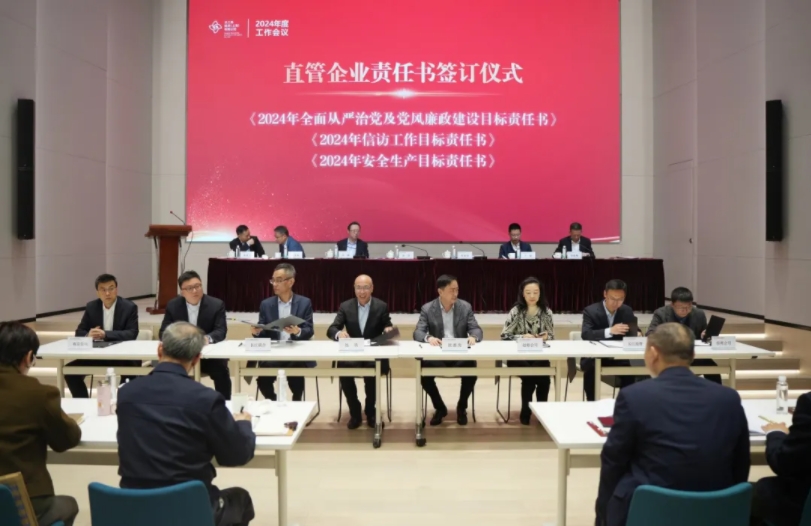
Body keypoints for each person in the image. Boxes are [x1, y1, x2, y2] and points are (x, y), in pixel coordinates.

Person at [596, 323, 750, 526]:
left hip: (650, 510)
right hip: (715, 510)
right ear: (693, 355)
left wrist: (603, 515)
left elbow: (614, 461)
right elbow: (741, 462)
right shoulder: (728, 398)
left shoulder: (634, 396)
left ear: (653, 354)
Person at [117, 322, 255, 526]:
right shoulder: (205, 399)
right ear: (197, 358)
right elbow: (236, 455)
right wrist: (243, 425)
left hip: (134, 507)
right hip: (188, 509)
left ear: (159, 350)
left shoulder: (126, 393)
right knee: (240, 498)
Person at [0, 321, 81, 526]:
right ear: (28, 357)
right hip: (25, 500)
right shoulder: (37, 393)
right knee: (69, 505)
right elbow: (66, 440)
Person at [413, 275, 483, 426]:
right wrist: (428, 338)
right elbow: (418, 332)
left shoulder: (465, 307)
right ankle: (440, 408)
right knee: (424, 374)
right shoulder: (427, 308)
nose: (455, 294)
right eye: (452, 290)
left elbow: (476, 328)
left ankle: (461, 407)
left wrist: (473, 336)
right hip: (438, 355)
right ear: (440, 291)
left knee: (471, 369)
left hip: (459, 354)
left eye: (457, 290)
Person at [327, 275, 394, 429]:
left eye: (365, 288)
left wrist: (388, 330)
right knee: (344, 371)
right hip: (352, 353)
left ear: (372, 288)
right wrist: (339, 334)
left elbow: (388, 326)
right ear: (354, 288)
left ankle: (370, 411)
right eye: (358, 288)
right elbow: (332, 328)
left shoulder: (381, 306)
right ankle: (355, 412)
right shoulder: (346, 306)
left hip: (373, 354)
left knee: (372, 373)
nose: (362, 292)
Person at [67, 273, 141, 398]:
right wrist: (88, 335)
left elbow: (132, 333)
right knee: (70, 371)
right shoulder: (91, 307)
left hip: (123, 356)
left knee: (131, 372)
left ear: (116, 289)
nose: (107, 293)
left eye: (111, 288)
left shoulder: (129, 307)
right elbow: (79, 332)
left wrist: (106, 334)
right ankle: (84, 403)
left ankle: (122, 403)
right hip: (98, 355)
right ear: (97, 292)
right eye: (103, 289)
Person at [159, 271, 231, 400]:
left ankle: (224, 403)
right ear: (182, 292)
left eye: (197, 286)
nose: (195, 291)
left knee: (221, 370)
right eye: (189, 288)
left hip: (207, 354)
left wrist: (206, 339)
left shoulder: (216, 304)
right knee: (165, 369)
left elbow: (220, 331)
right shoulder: (173, 305)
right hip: (181, 354)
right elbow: (164, 332)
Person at [251, 263, 314, 401]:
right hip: (274, 352)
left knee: (296, 374)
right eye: (273, 280)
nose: (274, 284)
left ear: (291, 282)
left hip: (295, 351)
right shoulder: (266, 304)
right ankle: (274, 402)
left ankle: (296, 402)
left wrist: (297, 331)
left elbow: (309, 330)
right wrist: (257, 332)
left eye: (279, 280)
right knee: (263, 378)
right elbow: (264, 332)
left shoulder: (304, 303)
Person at [500, 277, 555, 425]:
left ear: (540, 293)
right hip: (517, 356)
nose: (532, 296)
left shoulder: (546, 312)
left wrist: (545, 337)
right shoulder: (516, 311)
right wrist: (522, 337)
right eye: (528, 292)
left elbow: (551, 335)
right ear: (522, 294)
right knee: (529, 376)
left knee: (544, 378)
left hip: (539, 355)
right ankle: (526, 411)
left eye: (535, 292)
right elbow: (504, 335)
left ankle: (542, 412)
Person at [750, 391, 811, 526]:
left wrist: (776, 433)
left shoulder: (808, 402)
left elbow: (784, 464)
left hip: (801, 501)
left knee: (760, 489)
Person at [646, 287, 721, 384]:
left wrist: (704, 335)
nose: (685, 310)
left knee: (713, 369)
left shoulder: (699, 314)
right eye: (681, 307)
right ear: (672, 305)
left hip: (692, 356)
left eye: (688, 307)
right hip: (668, 356)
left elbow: (704, 335)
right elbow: (650, 334)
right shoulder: (661, 313)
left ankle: (716, 392)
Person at [580, 279, 639, 401]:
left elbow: (634, 329)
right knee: (591, 372)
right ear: (605, 294)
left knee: (630, 374)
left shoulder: (626, 310)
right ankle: (592, 404)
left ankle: (623, 405)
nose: (616, 303)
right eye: (613, 298)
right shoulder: (590, 311)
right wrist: (610, 331)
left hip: (618, 357)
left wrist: (638, 333)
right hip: (594, 357)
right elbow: (586, 334)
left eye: (620, 299)